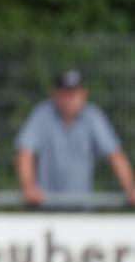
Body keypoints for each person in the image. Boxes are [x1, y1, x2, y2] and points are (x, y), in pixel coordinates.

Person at [15, 69, 135, 208]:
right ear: (55, 94)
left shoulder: (92, 117)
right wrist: (29, 187)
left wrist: (130, 187)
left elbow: (114, 155)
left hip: (81, 211)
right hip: (46, 210)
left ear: (84, 94)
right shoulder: (42, 116)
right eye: (66, 93)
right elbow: (25, 153)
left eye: (75, 93)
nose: (71, 98)